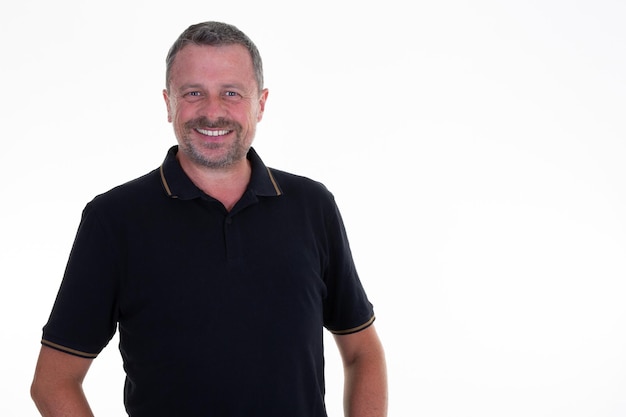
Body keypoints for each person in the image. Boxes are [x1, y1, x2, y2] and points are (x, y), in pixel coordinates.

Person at [30, 21, 387, 417]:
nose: (213, 112)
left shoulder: (312, 205)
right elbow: (53, 382)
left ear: (261, 103)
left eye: (231, 93)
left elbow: (361, 352)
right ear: (168, 103)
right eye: (193, 93)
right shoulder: (114, 219)